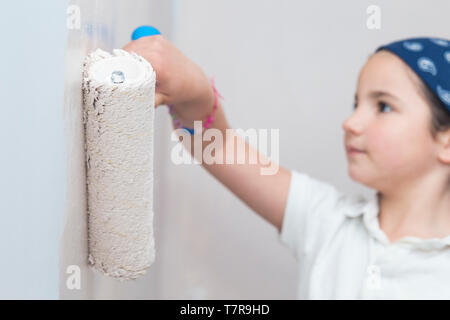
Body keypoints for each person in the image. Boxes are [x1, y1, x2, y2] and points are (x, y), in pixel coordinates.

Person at [123, 36, 450, 299]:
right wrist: (195, 90)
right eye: (356, 104)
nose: (350, 123)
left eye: (383, 106)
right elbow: (219, 148)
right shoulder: (327, 221)